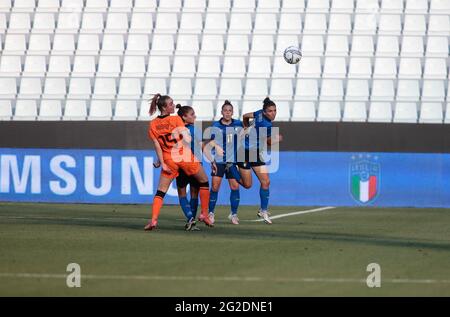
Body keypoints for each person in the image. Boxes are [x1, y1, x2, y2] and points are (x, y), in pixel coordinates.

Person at [144, 94, 213, 231]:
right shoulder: (175, 119)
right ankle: (204, 214)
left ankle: (153, 220)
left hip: (169, 160)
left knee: (161, 191)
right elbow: (187, 138)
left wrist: (162, 163)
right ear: (164, 107)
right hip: (184, 156)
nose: (173, 105)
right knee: (204, 181)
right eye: (171, 104)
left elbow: (157, 146)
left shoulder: (153, 124)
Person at [238, 97, 283, 224]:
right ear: (264, 112)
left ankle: (263, 210)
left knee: (266, 181)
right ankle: (230, 170)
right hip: (244, 152)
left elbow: (245, 116)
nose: (273, 113)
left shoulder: (258, 113)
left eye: (274, 110)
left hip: (255, 152)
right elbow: (268, 142)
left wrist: (245, 126)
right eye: (270, 111)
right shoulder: (266, 124)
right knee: (247, 185)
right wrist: (277, 139)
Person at [208, 101, 244, 225]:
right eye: (225, 110)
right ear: (222, 112)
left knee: (235, 187)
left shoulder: (238, 124)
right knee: (215, 187)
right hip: (219, 161)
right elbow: (211, 142)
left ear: (232, 112)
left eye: (230, 110)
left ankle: (234, 214)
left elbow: (248, 130)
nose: (227, 112)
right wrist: (216, 147)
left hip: (232, 162)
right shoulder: (216, 125)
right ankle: (211, 213)